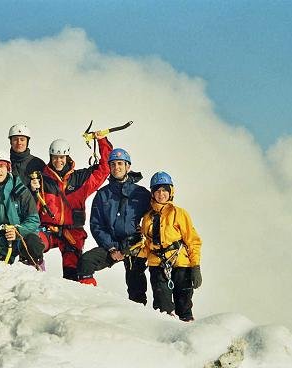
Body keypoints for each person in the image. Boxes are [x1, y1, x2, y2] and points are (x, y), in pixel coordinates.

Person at [31, 132, 112, 280]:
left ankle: (71, 297)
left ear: (67, 157)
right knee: (31, 243)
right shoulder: (42, 179)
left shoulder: (80, 179)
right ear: (50, 157)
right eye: (55, 157)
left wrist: (102, 141)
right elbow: (32, 206)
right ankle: (35, 281)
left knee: (72, 273)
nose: (58, 161)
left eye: (61, 157)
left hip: (72, 233)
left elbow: (105, 169)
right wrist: (33, 189)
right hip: (48, 230)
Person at [76, 148, 151, 303]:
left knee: (135, 283)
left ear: (128, 166)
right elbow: (96, 224)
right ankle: (87, 302)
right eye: (113, 164)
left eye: (120, 163)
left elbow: (153, 217)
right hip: (111, 245)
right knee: (86, 262)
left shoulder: (142, 194)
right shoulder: (103, 194)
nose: (116, 167)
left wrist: (140, 235)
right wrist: (111, 248)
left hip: (134, 245)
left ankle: (139, 315)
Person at [138, 171, 202, 321]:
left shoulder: (179, 213)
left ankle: (190, 336)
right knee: (162, 308)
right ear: (152, 193)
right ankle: (165, 341)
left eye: (165, 190)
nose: (161, 194)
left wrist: (195, 266)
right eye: (157, 190)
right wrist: (138, 260)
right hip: (157, 265)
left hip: (181, 264)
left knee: (184, 305)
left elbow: (192, 240)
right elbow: (147, 244)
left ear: (171, 191)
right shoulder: (147, 218)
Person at [8, 123, 46, 190]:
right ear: (11, 142)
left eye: (22, 139)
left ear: (27, 142)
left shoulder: (38, 163)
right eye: (15, 139)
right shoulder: (4, 163)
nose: (19, 143)